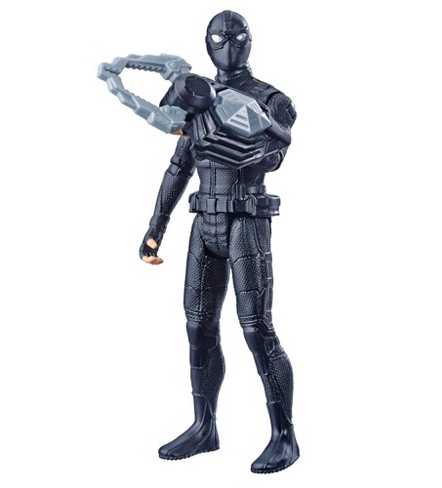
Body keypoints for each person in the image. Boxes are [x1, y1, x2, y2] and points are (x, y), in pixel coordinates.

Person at [139, 10, 299, 474]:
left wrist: (246, 127)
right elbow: (179, 165)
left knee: (256, 328)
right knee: (198, 326)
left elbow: (272, 154)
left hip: (246, 219)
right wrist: (156, 225)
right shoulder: (197, 97)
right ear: (207, 43)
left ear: (249, 41)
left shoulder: (271, 99)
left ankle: (284, 436)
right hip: (204, 222)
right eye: (218, 38)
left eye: (236, 37)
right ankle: (204, 426)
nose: (228, 46)